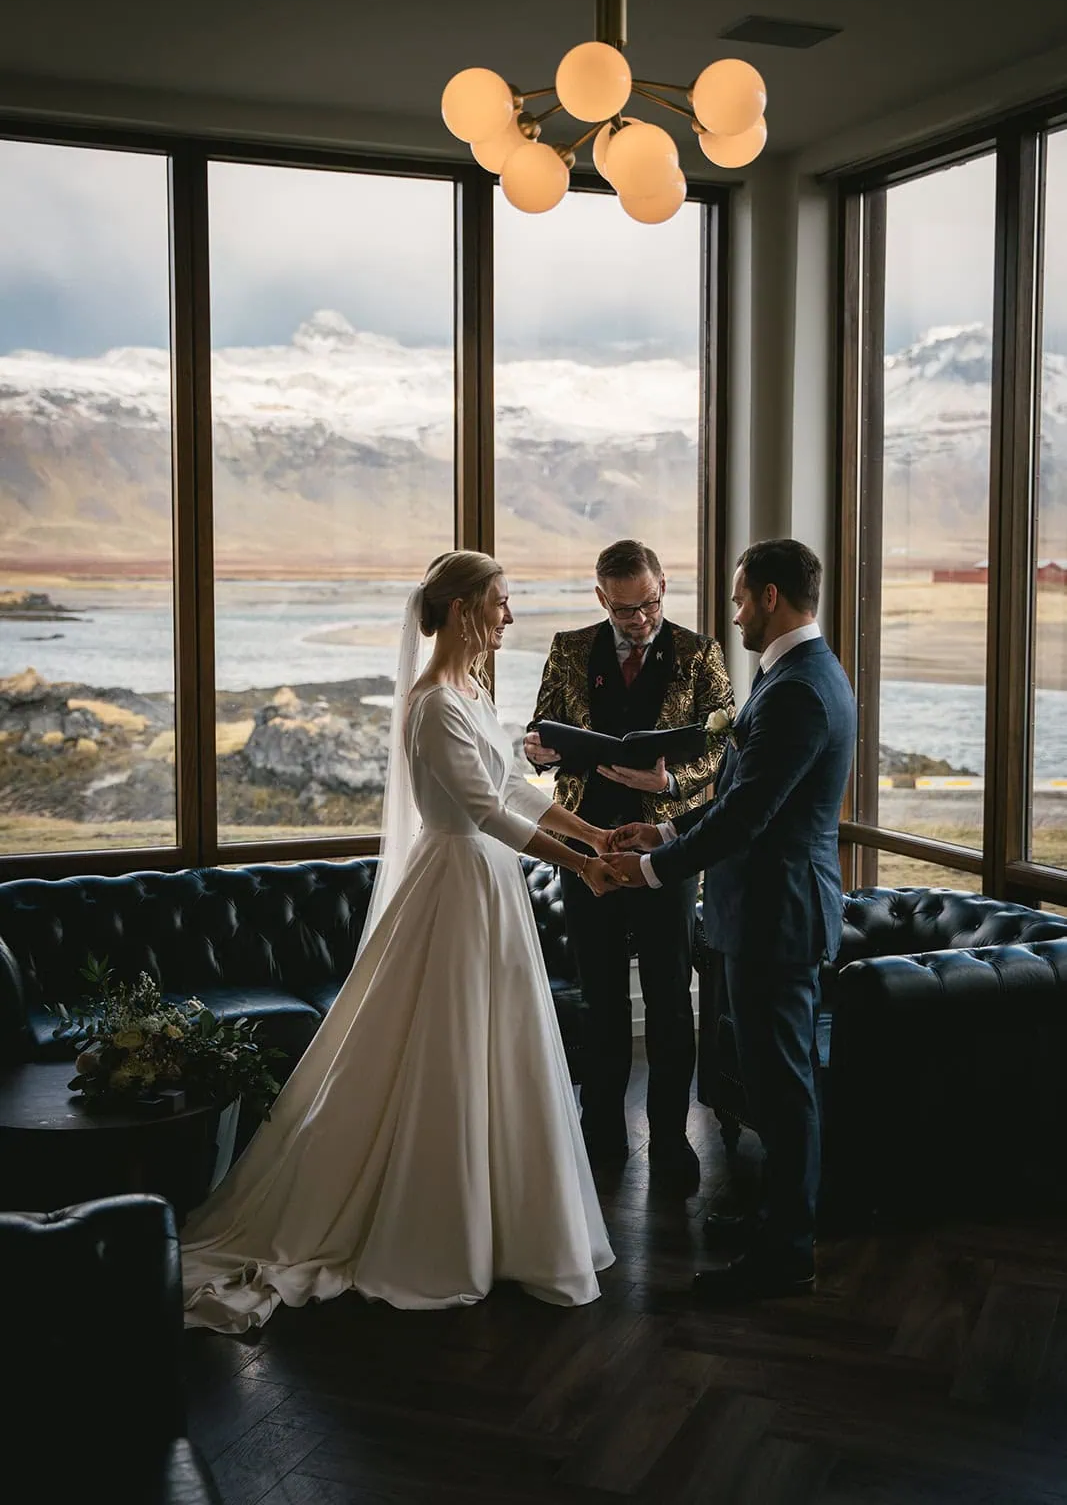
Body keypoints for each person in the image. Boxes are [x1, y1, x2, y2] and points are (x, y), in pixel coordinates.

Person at [182, 551, 619, 1332]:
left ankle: (514, 1227)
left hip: (492, 888)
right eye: (500, 602)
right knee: (449, 1053)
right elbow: (483, 811)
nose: (510, 617)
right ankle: (441, 1232)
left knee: (504, 1048)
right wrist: (583, 868)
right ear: (460, 611)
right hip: (456, 887)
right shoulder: (431, 705)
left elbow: (516, 789)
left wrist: (592, 830)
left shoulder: (472, 691)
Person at [608, 539, 856, 1301]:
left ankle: (788, 1253)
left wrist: (648, 870)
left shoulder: (797, 689)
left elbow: (749, 817)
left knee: (783, 1091)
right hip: (763, 911)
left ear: (772, 596)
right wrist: (668, 831)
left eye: (742, 597)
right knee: (773, 1083)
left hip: (777, 915)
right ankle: (778, 1223)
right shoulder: (796, 676)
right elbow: (744, 796)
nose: (736, 612)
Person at [524, 539, 734, 1190]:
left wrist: (670, 778)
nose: (638, 619)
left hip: (667, 852)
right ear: (600, 599)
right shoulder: (567, 648)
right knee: (601, 999)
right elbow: (540, 733)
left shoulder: (701, 654)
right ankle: (601, 1134)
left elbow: (724, 743)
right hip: (586, 850)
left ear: (662, 586)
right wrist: (538, 752)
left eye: (647, 605)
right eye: (623, 611)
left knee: (671, 1001)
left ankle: (671, 1141)